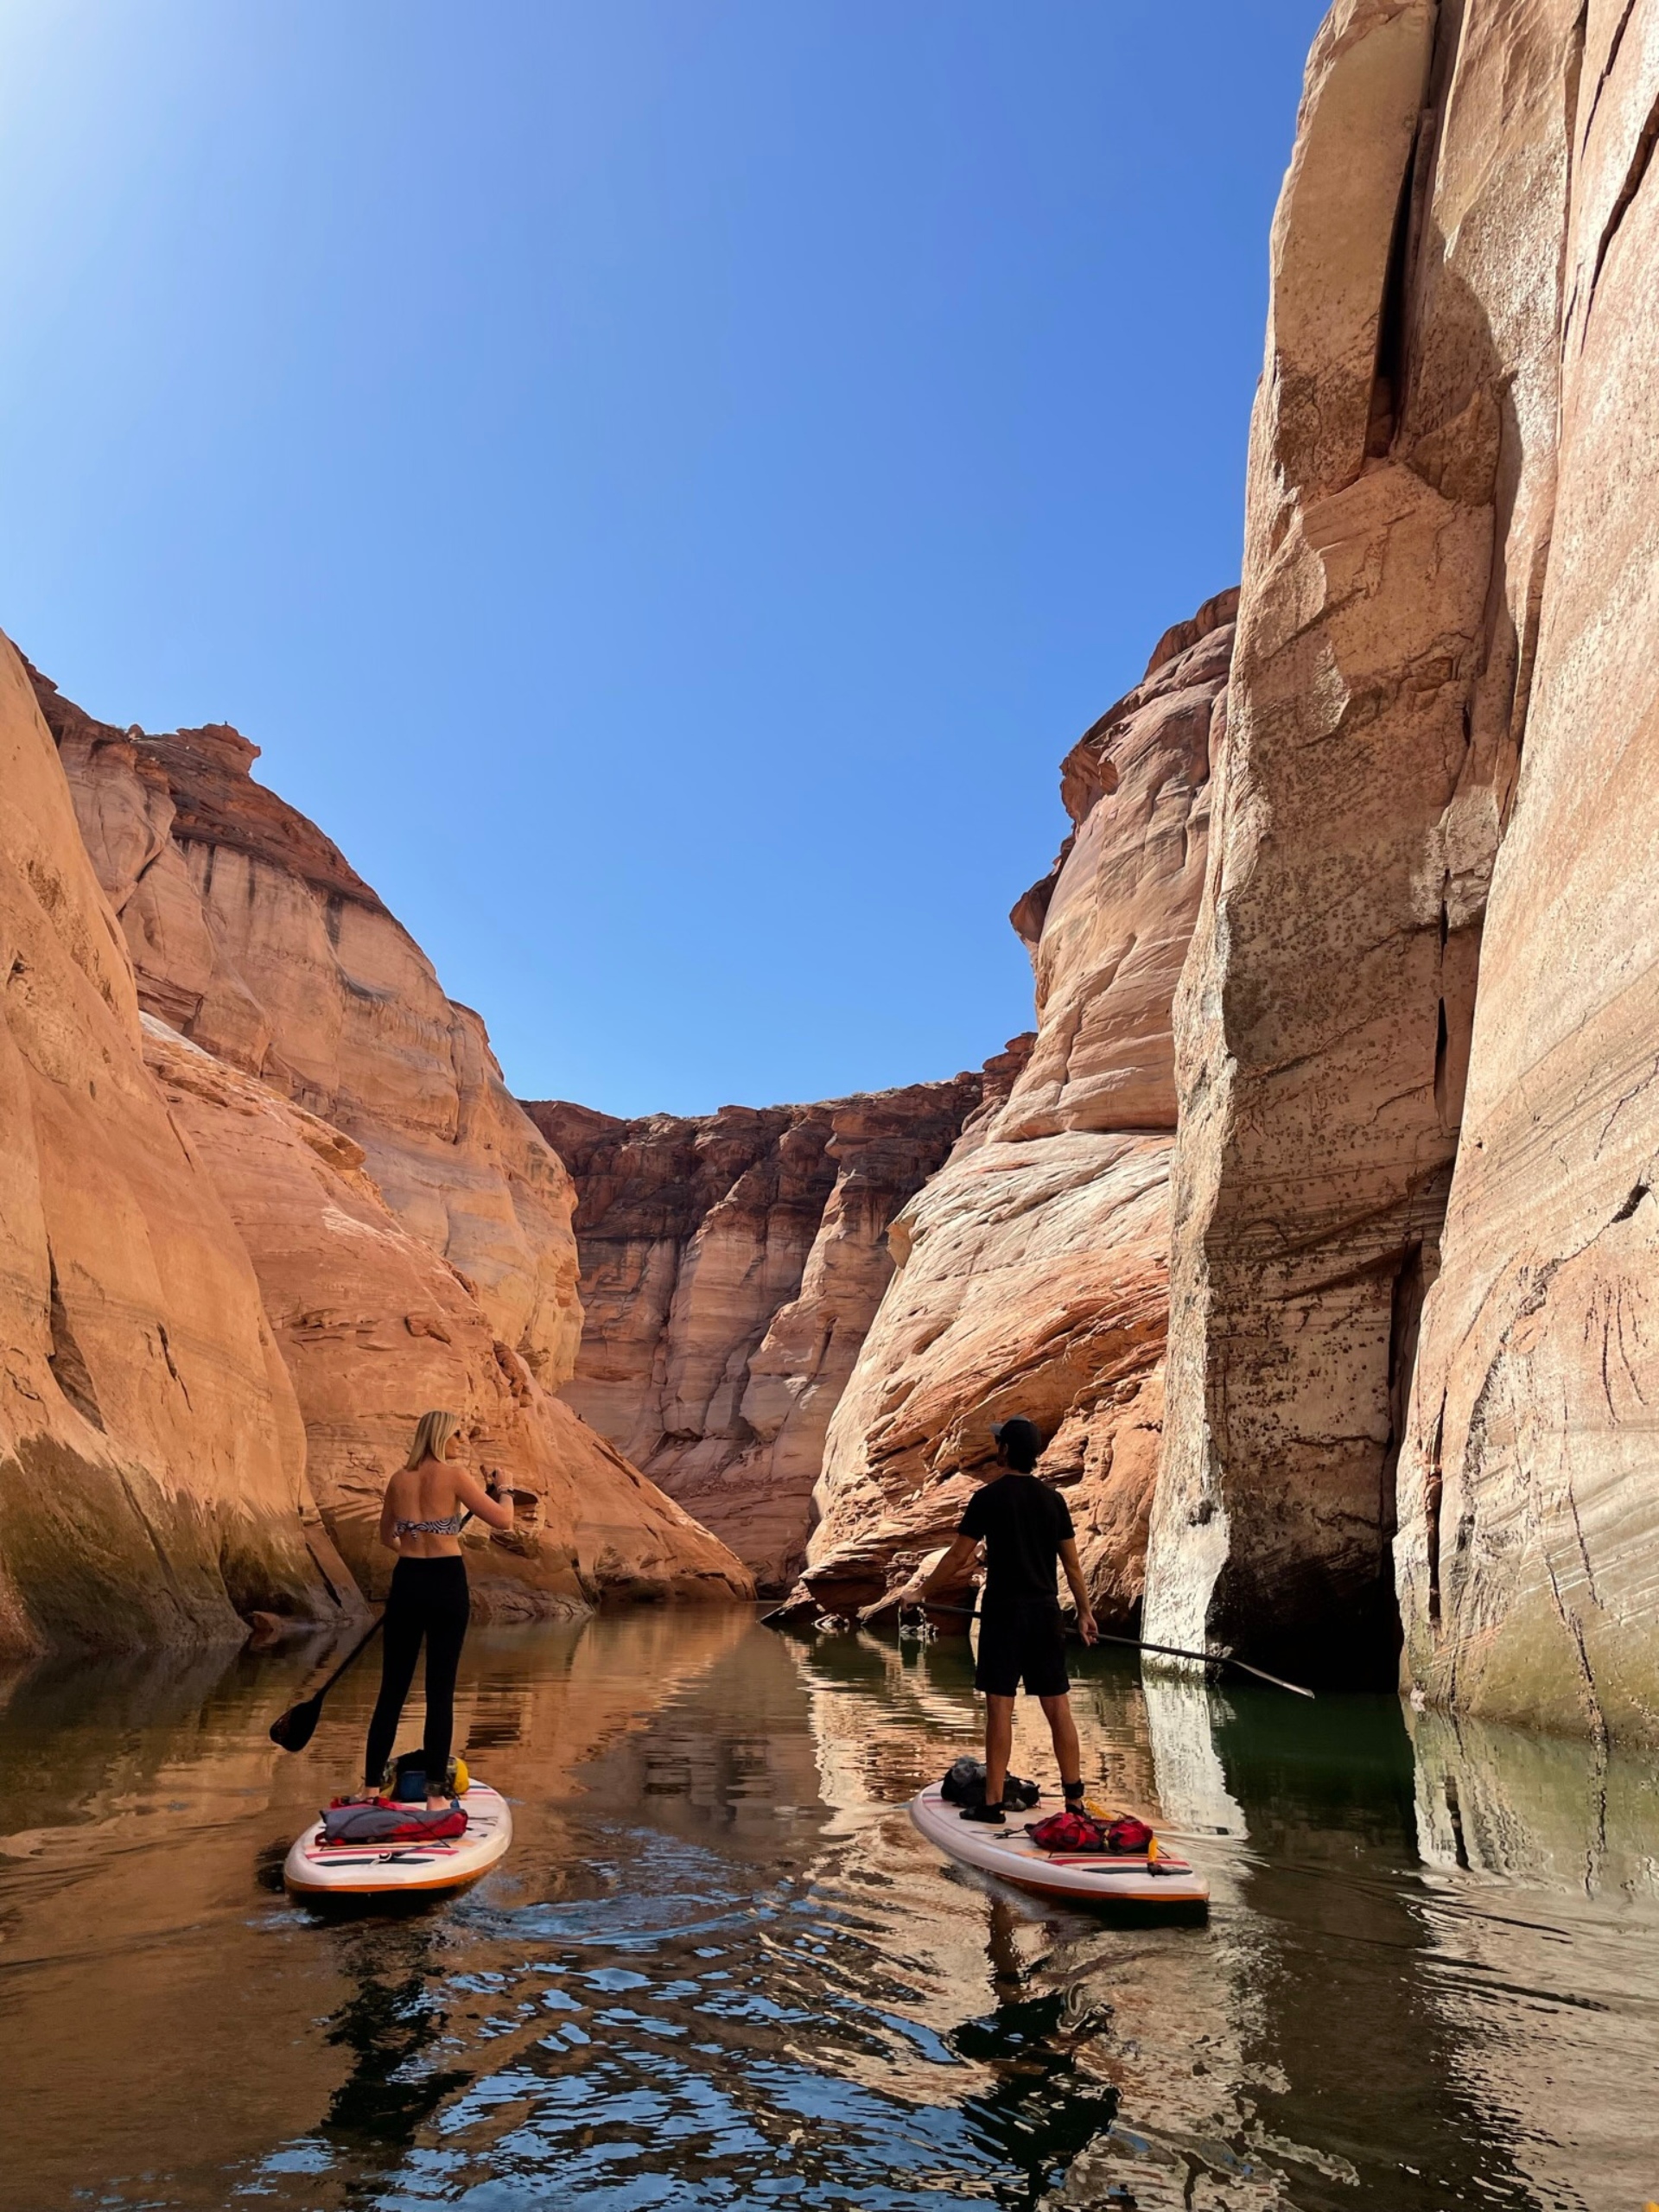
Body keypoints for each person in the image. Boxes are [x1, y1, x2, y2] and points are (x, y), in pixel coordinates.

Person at [887, 1415, 1096, 1823]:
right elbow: (1071, 1566)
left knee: (1000, 1708)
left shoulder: (988, 1498)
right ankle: (1074, 1803)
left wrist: (920, 1593)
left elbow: (957, 1557)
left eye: (998, 1443)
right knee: (1058, 1707)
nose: (995, 1447)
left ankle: (993, 1804)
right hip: (1045, 1614)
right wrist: (1085, 1613)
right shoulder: (1054, 1500)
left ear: (1005, 1451)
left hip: (1003, 1615)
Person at [355, 1409, 514, 1808]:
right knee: (440, 1692)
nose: (462, 1439)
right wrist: (506, 1487)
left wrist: (412, 1548)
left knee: (392, 1689)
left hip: (408, 1581)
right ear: (441, 1436)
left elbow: (385, 1536)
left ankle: (371, 1788)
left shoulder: (398, 1480)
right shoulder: (455, 1476)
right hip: (445, 1582)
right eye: (458, 1433)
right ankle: (434, 1797)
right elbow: (504, 1521)